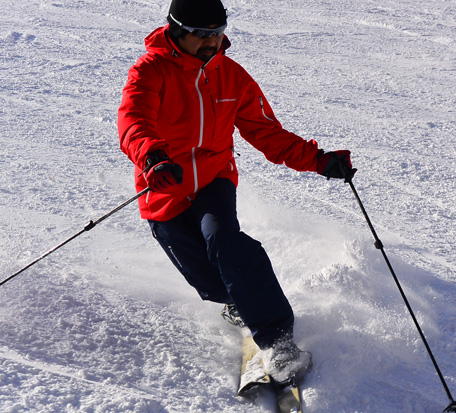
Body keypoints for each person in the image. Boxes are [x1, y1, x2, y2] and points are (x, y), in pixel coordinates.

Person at [117, 0, 355, 383]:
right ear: (177, 31)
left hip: (214, 177)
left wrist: (320, 161)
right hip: (165, 184)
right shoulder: (150, 72)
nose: (213, 42)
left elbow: (267, 133)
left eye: (219, 32)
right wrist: (152, 157)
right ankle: (236, 303)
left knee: (224, 240)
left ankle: (278, 340)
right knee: (208, 280)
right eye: (203, 34)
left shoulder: (231, 76)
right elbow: (134, 120)